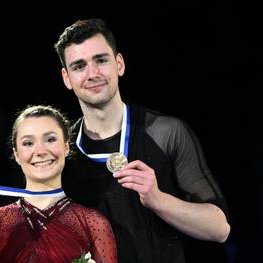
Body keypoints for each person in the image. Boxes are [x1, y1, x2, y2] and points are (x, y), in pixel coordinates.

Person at [54, 18, 231, 262]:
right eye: (79, 66)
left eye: (101, 60)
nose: (92, 73)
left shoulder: (165, 132)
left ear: (119, 64)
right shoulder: (61, 153)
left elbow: (220, 228)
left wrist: (158, 200)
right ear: (66, 78)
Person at [0, 105, 117, 262]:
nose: (40, 151)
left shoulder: (93, 223)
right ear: (16, 154)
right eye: (28, 143)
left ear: (66, 147)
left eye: (50, 139)